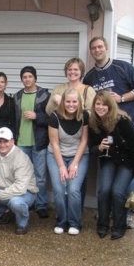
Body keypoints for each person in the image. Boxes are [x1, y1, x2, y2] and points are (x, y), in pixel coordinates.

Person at [83, 36, 134, 229]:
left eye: (100, 47)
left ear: (107, 48)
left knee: (128, 174)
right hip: (107, 131)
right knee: (109, 165)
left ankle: (129, 213)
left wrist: (121, 98)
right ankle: (108, 211)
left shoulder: (122, 67)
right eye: (94, 48)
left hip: (128, 125)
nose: (97, 50)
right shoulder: (89, 77)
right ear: (91, 51)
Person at [88, 91, 134, 240]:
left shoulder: (122, 120)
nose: (100, 107)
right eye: (98, 104)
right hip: (109, 159)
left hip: (127, 161)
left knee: (118, 191)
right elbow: (91, 147)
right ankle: (102, 225)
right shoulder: (94, 122)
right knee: (104, 190)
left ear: (110, 105)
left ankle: (119, 226)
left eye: (104, 104)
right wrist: (98, 147)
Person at [47, 89, 89, 235]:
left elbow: (84, 141)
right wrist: (61, 167)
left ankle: (74, 223)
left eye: (74, 101)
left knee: (73, 189)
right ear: (63, 102)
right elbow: (55, 144)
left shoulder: (84, 116)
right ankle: (61, 221)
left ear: (79, 103)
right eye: (68, 101)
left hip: (79, 155)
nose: (71, 104)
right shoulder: (54, 117)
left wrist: (74, 164)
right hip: (56, 155)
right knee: (59, 189)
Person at [14, 65, 50, 219]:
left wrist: (37, 116)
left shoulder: (45, 95)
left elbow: (51, 119)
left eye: (30, 76)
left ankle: (41, 204)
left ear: (35, 78)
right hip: (21, 141)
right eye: (24, 77)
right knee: (22, 175)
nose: (27, 79)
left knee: (40, 176)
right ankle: (26, 203)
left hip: (39, 142)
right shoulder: (16, 96)